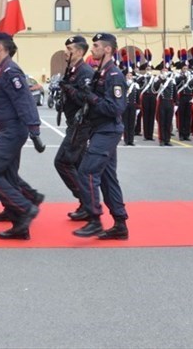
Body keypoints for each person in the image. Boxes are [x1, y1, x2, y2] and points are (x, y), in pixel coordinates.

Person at [0, 31, 45, 240]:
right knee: (7, 175)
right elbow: (1, 102)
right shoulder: (1, 70)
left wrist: (34, 131)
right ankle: (20, 224)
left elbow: (24, 101)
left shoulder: (10, 71)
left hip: (13, 131)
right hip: (6, 128)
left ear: (0, 47)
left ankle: (25, 207)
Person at [71, 33, 129, 240]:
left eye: (95, 45)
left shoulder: (113, 75)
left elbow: (116, 107)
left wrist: (92, 98)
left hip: (107, 130)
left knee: (86, 173)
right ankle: (120, 223)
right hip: (99, 129)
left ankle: (94, 219)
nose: (92, 48)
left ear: (107, 49)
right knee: (107, 178)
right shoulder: (101, 73)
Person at [52, 35, 95, 219]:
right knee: (80, 167)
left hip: (81, 124)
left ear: (78, 52)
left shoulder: (84, 71)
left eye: (69, 50)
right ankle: (87, 205)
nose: (66, 54)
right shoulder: (72, 70)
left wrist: (68, 88)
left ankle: (87, 201)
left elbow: (85, 98)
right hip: (74, 123)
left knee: (62, 161)